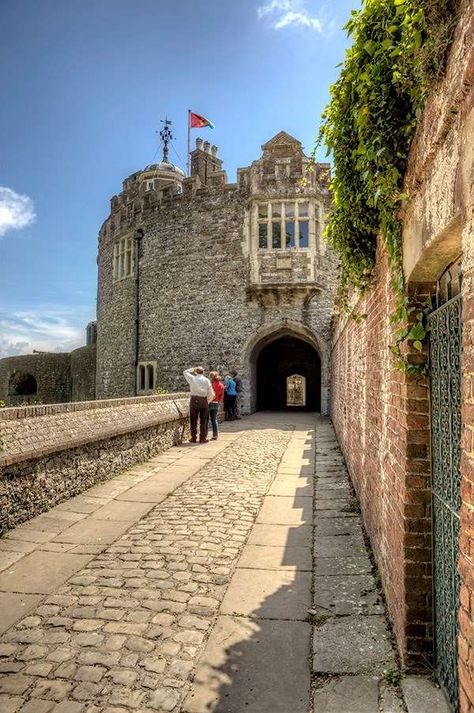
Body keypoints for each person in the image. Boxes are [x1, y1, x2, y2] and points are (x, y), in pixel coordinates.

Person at [183, 366, 214, 443]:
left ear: (196, 372)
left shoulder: (192, 378)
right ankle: (202, 438)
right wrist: (207, 401)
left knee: (193, 420)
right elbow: (211, 394)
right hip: (203, 400)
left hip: (194, 400)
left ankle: (193, 438)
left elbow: (185, 372)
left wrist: (192, 369)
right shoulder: (207, 380)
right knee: (204, 421)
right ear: (203, 372)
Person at [208, 371, 224, 439]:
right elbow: (222, 396)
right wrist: (218, 402)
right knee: (214, 420)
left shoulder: (211, 385)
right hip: (216, 403)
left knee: (206, 419)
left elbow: (209, 394)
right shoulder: (221, 385)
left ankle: (204, 435)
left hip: (210, 402)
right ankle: (215, 435)